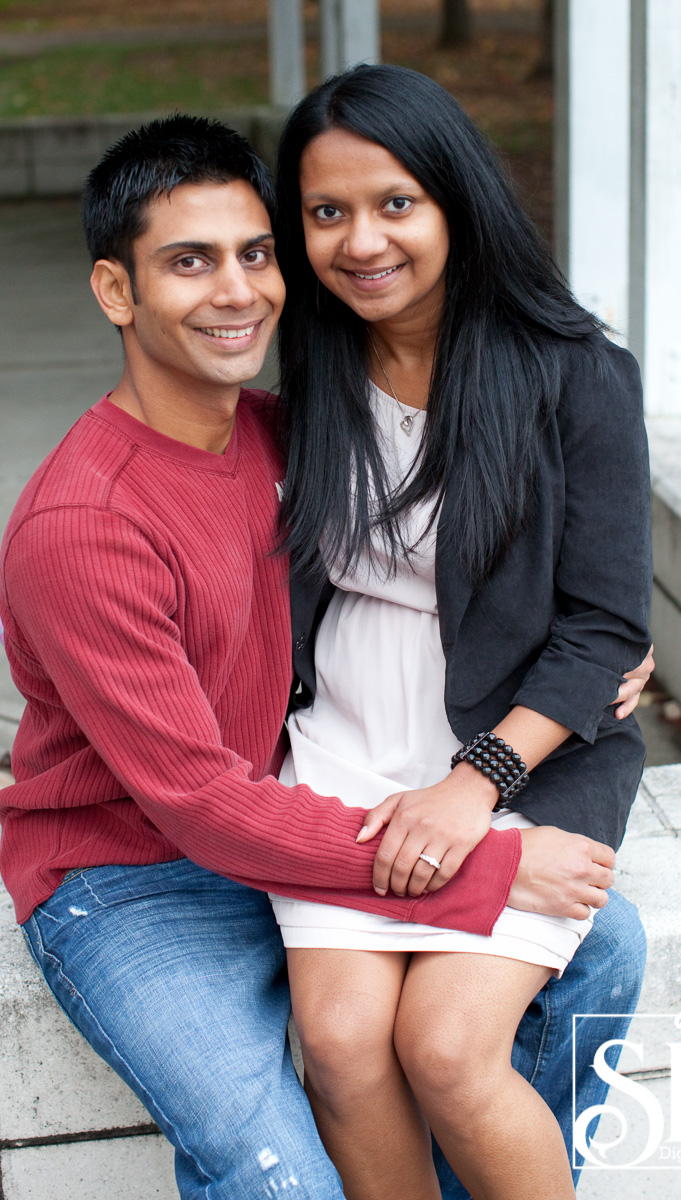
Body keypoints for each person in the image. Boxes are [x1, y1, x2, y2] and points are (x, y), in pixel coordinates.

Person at [0, 115, 648, 1200]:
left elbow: (557, 586)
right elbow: (201, 803)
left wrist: (581, 665)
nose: (237, 292)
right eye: (189, 263)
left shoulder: (278, 426)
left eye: (254, 254)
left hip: (304, 809)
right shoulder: (85, 521)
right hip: (136, 873)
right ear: (117, 292)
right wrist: (487, 859)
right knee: (291, 1158)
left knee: (546, 984)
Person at [267, 65, 654, 1200]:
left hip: (509, 754)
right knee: (339, 1045)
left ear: (454, 200)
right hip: (338, 743)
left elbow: (601, 623)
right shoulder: (317, 364)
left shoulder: (575, 375)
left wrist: (472, 783)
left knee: (444, 1046)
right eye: (325, 212)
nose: (359, 241)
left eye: (395, 203)